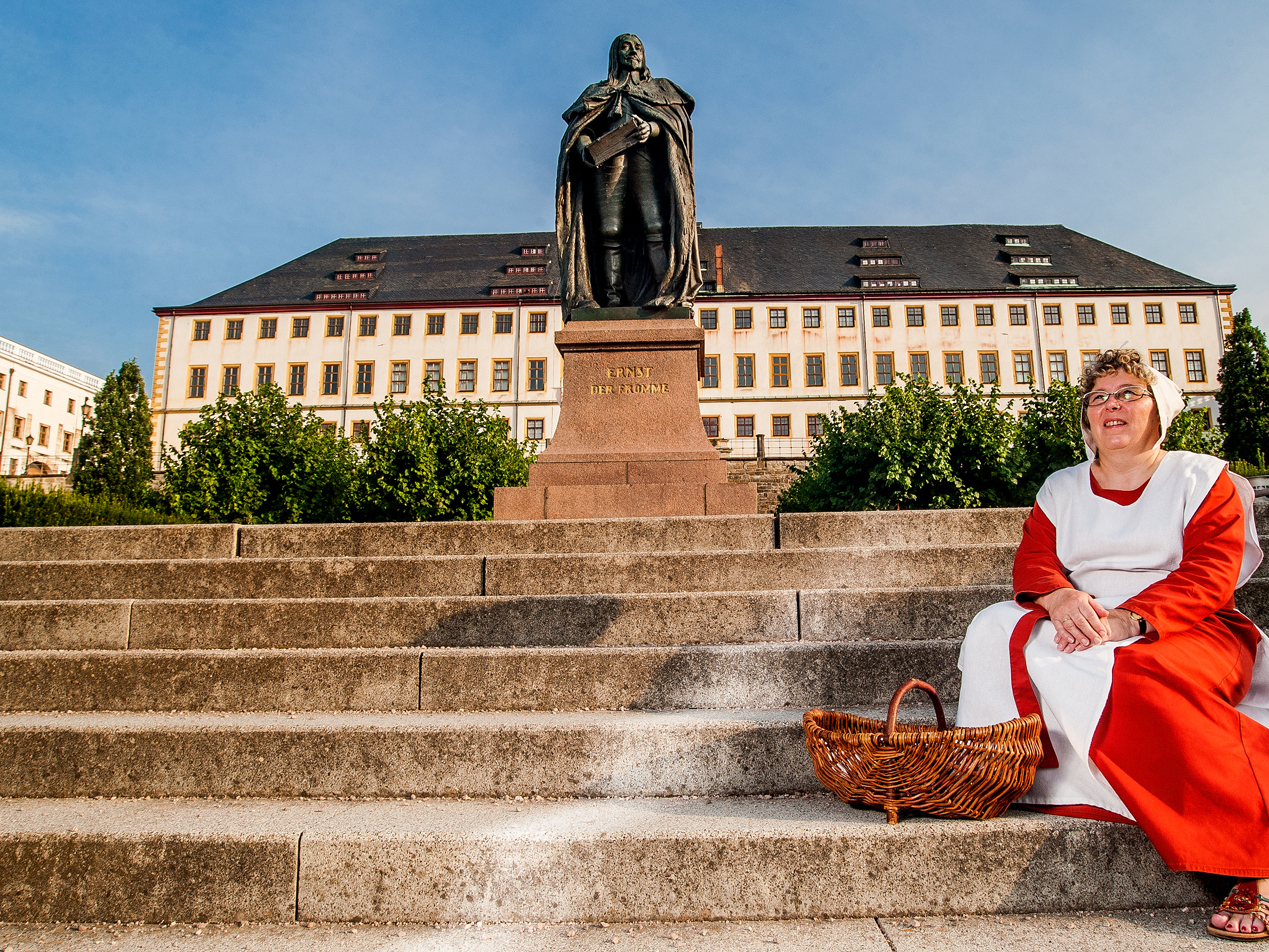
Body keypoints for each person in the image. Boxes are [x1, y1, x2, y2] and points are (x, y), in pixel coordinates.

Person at [956, 348, 1269, 941]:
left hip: (1186, 626)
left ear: (1160, 410)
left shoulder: (1205, 478)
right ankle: (1005, 769)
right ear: (1087, 418)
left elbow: (1209, 574)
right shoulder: (1061, 487)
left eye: (1128, 392)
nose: (1111, 405)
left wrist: (1131, 621)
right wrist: (1058, 599)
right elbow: (1036, 561)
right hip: (1081, 620)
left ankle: (1251, 847)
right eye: (1099, 397)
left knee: (1132, 671)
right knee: (993, 626)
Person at [556, 34, 701, 317]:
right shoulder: (597, 92)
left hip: (645, 160)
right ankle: (610, 300)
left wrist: (652, 129)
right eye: (626, 46)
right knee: (609, 232)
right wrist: (585, 145)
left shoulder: (661, 89)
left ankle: (666, 291)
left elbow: (675, 126)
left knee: (656, 225)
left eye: (638, 47)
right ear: (615, 54)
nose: (633, 51)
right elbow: (579, 128)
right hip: (606, 163)